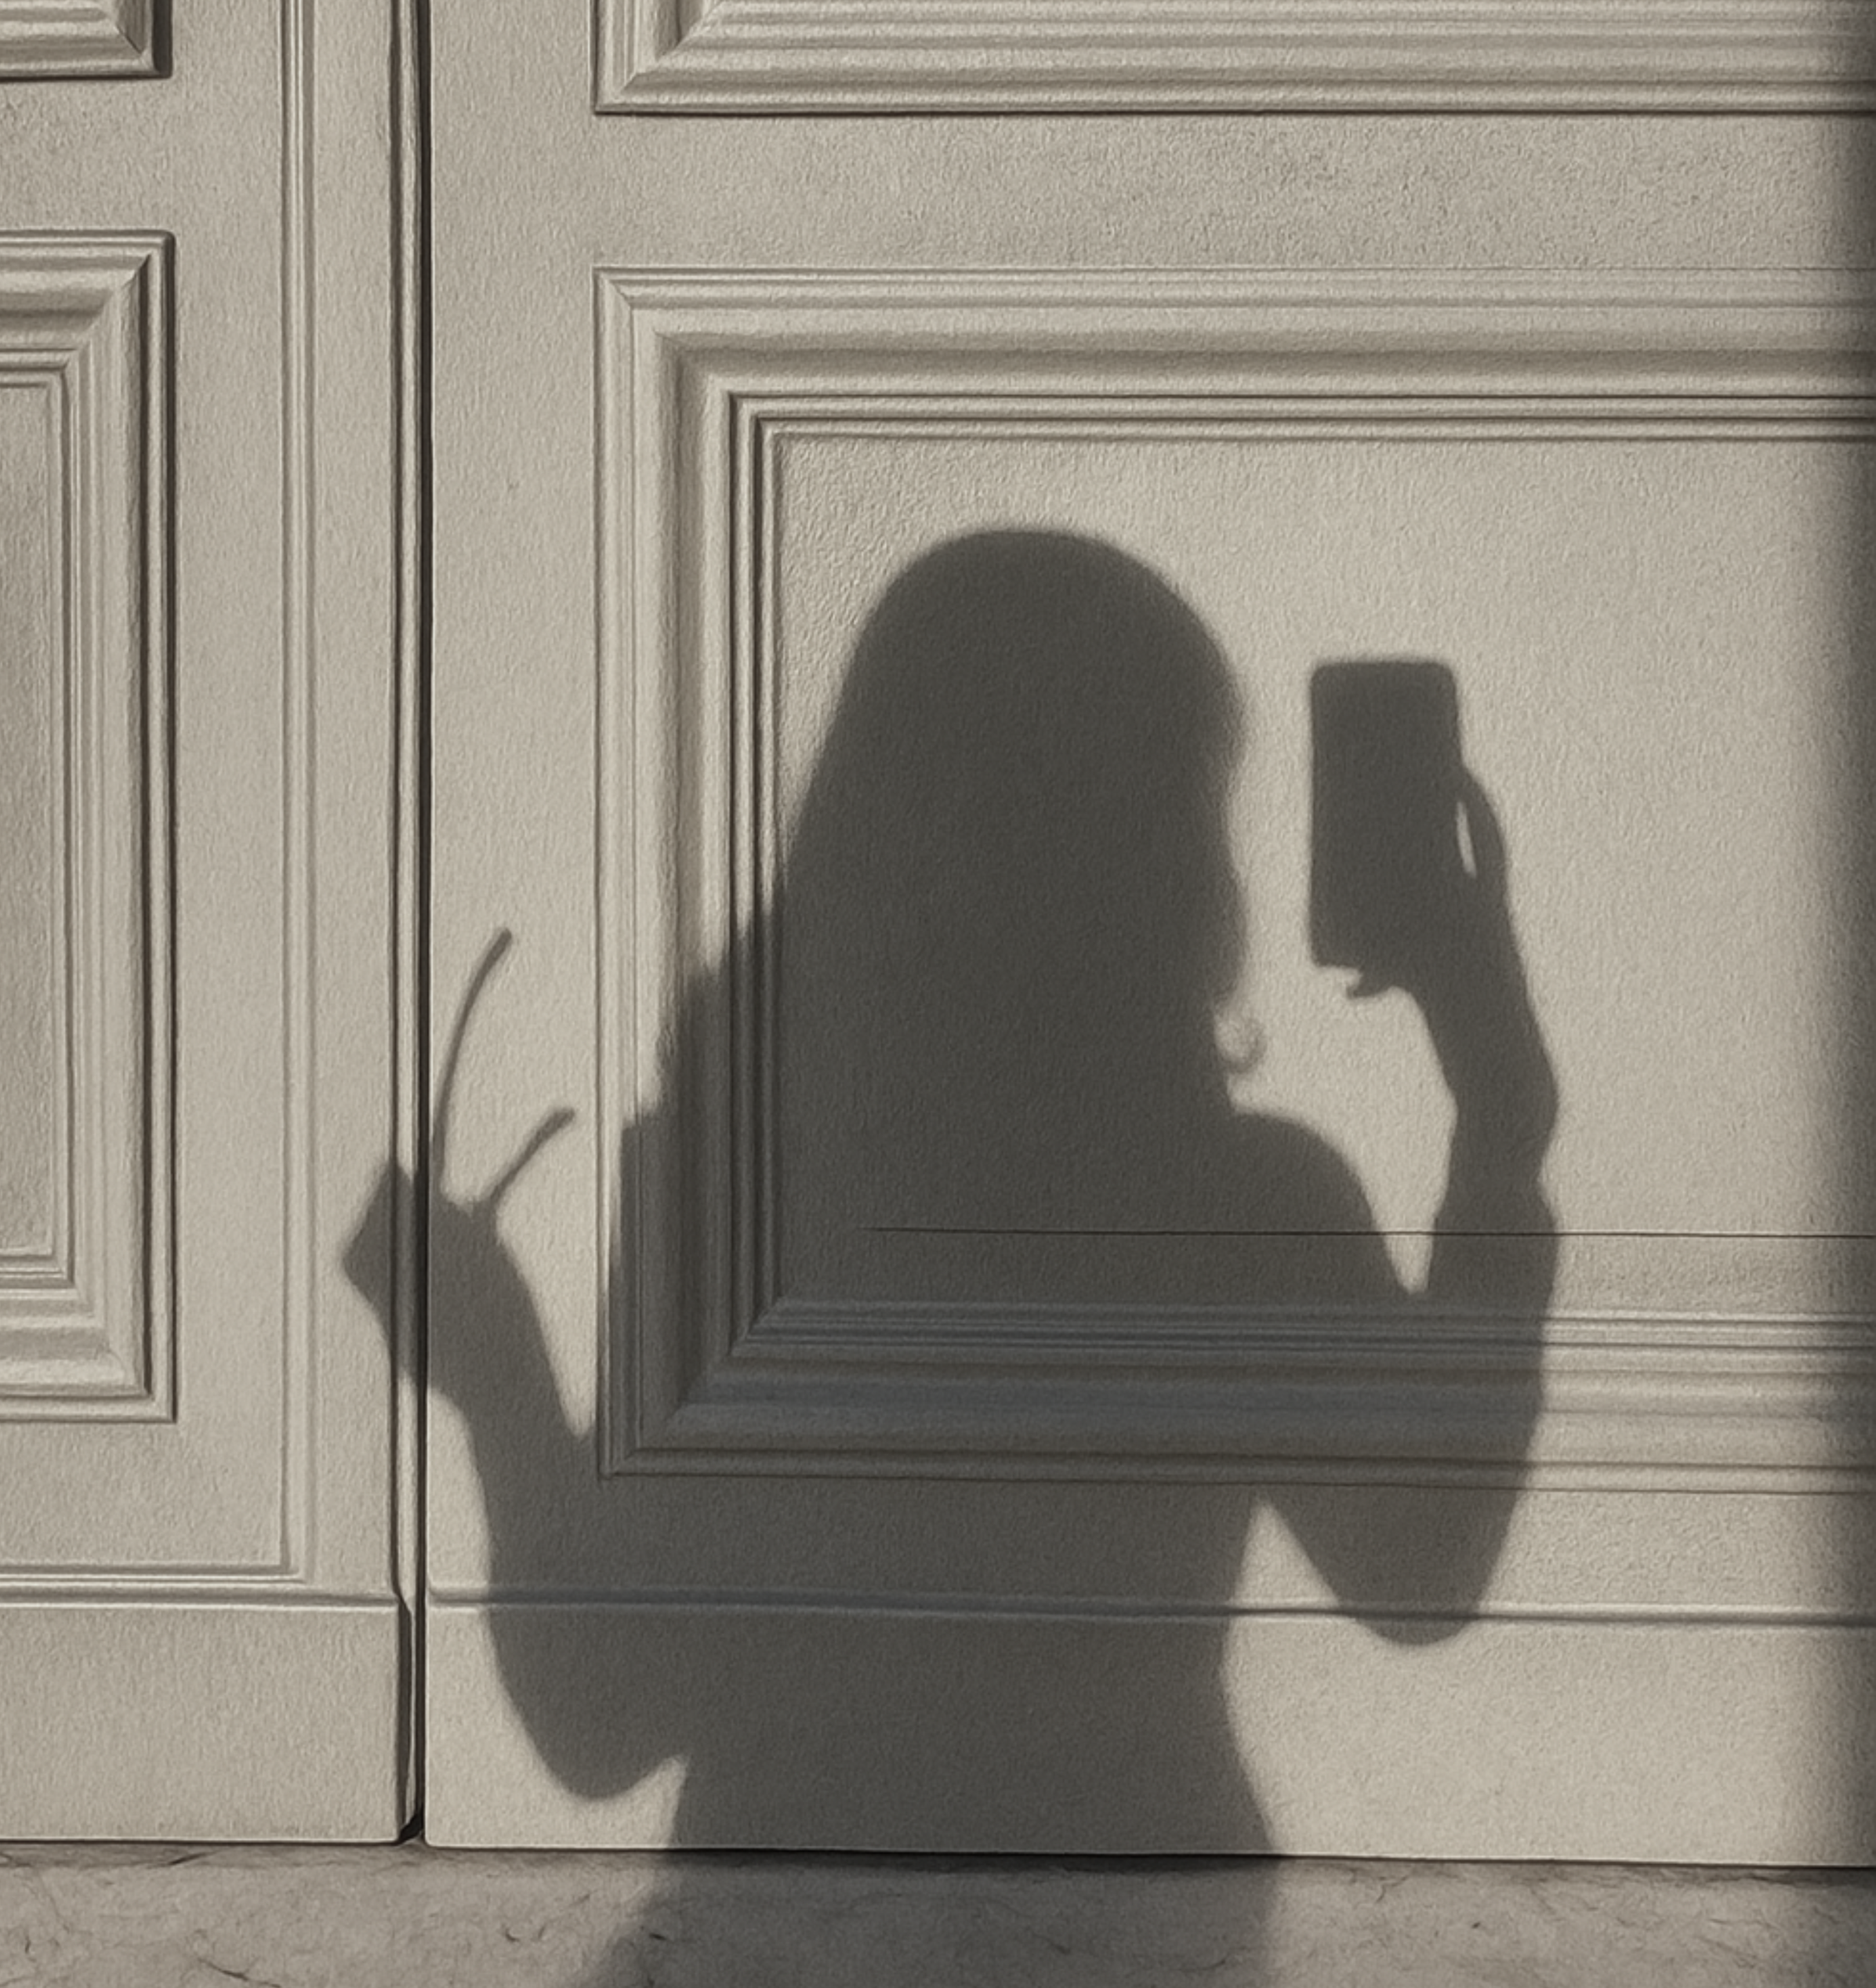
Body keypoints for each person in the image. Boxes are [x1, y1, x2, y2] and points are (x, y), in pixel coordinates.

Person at [350, 529, 1558, 1854]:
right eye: (1207, 803)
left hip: (781, 1929)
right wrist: (1499, 1124)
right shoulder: (1250, 1199)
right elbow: (1421, 1569)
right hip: (1140, 1915)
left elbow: (601, 1719)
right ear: (1163, 857)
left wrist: (499, 1374)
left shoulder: (735, 1173)